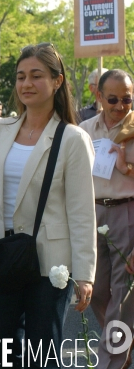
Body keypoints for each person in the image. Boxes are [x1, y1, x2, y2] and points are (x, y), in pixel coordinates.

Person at [0, 43, 96, 367]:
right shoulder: (0, 130)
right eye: (21, 76)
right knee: (0, 351)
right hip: (2, 254)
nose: (26, 84)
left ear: (57, 81)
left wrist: (84, 273)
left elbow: (81, 211)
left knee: (42, 353)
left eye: (36, 76)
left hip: (51, 263)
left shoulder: (72, 138)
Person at [80, 69, 134, 369]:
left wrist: (127, 169)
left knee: (123, 295)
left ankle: (110, 361)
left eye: (127, 99)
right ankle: (122, 342)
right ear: (98, 96)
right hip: (91, 211)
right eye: (112, 98)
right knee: (97, 292)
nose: (119, 106)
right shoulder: (85, 130)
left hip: (128, 212)